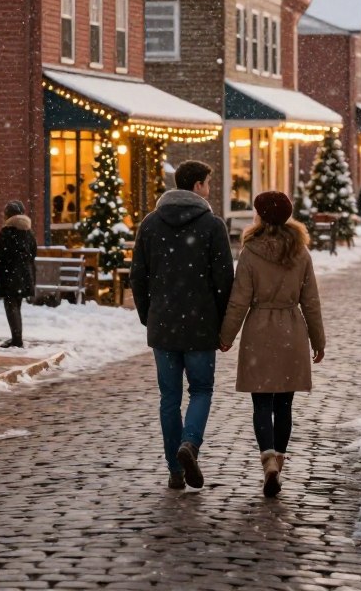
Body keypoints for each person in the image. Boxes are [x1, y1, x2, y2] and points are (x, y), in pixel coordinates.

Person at [130, 160, 235, 491]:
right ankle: (189, 443)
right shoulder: (212, 225)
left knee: (169, 397)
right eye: (207, 182)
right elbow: (224, 280)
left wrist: (149, 314)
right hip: (201, 325)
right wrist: (221, 321)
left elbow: (138, 276)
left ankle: (175, 469)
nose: (209, 188)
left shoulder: (150, 224)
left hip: (163, 325)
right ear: (197, 187)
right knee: (201, 390)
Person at [218, 190, 325, 498]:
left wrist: (226, 336)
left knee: (261, 403)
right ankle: (278, 457)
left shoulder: (251, 252)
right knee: (285, 404)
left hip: (259, 332)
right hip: (291, 330)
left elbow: (239, 300)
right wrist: (318, 340)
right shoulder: (300, 252)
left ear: (260, 217)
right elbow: (311, 301)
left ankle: (267, 458)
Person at [0, 200, 37, 349]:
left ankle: (17, 340)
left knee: (11, 306)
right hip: (24, 274)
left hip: (10, 274)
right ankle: (17, 337)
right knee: (17, 305)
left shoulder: (7, 231)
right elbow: (33, 253)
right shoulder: (28, 232)